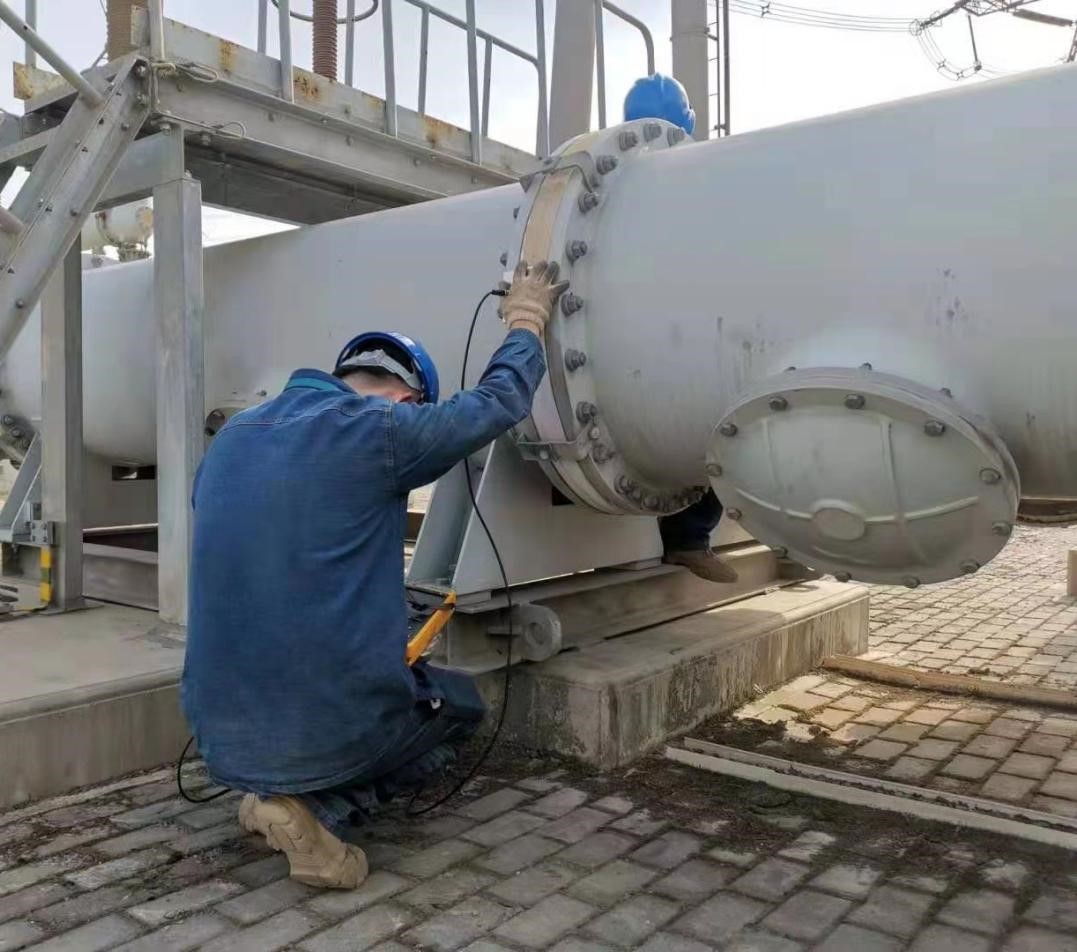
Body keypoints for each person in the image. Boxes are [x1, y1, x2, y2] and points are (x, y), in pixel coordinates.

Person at [182, 261, 569, 890]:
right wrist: (526, 319)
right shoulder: (378, 431)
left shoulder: (233, 436)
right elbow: (497, 402)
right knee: (459, 707)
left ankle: (268, 792)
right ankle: (320, 813)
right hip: (321, 721)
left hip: (214, 728)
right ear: (408, 400)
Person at [623, 72, 737, 585]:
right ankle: (690, 540)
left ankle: (687, 537)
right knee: (709, 427)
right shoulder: (702, 173)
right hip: (684, 327)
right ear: (688, 121)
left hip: (628, 333)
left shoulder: (611, 169)